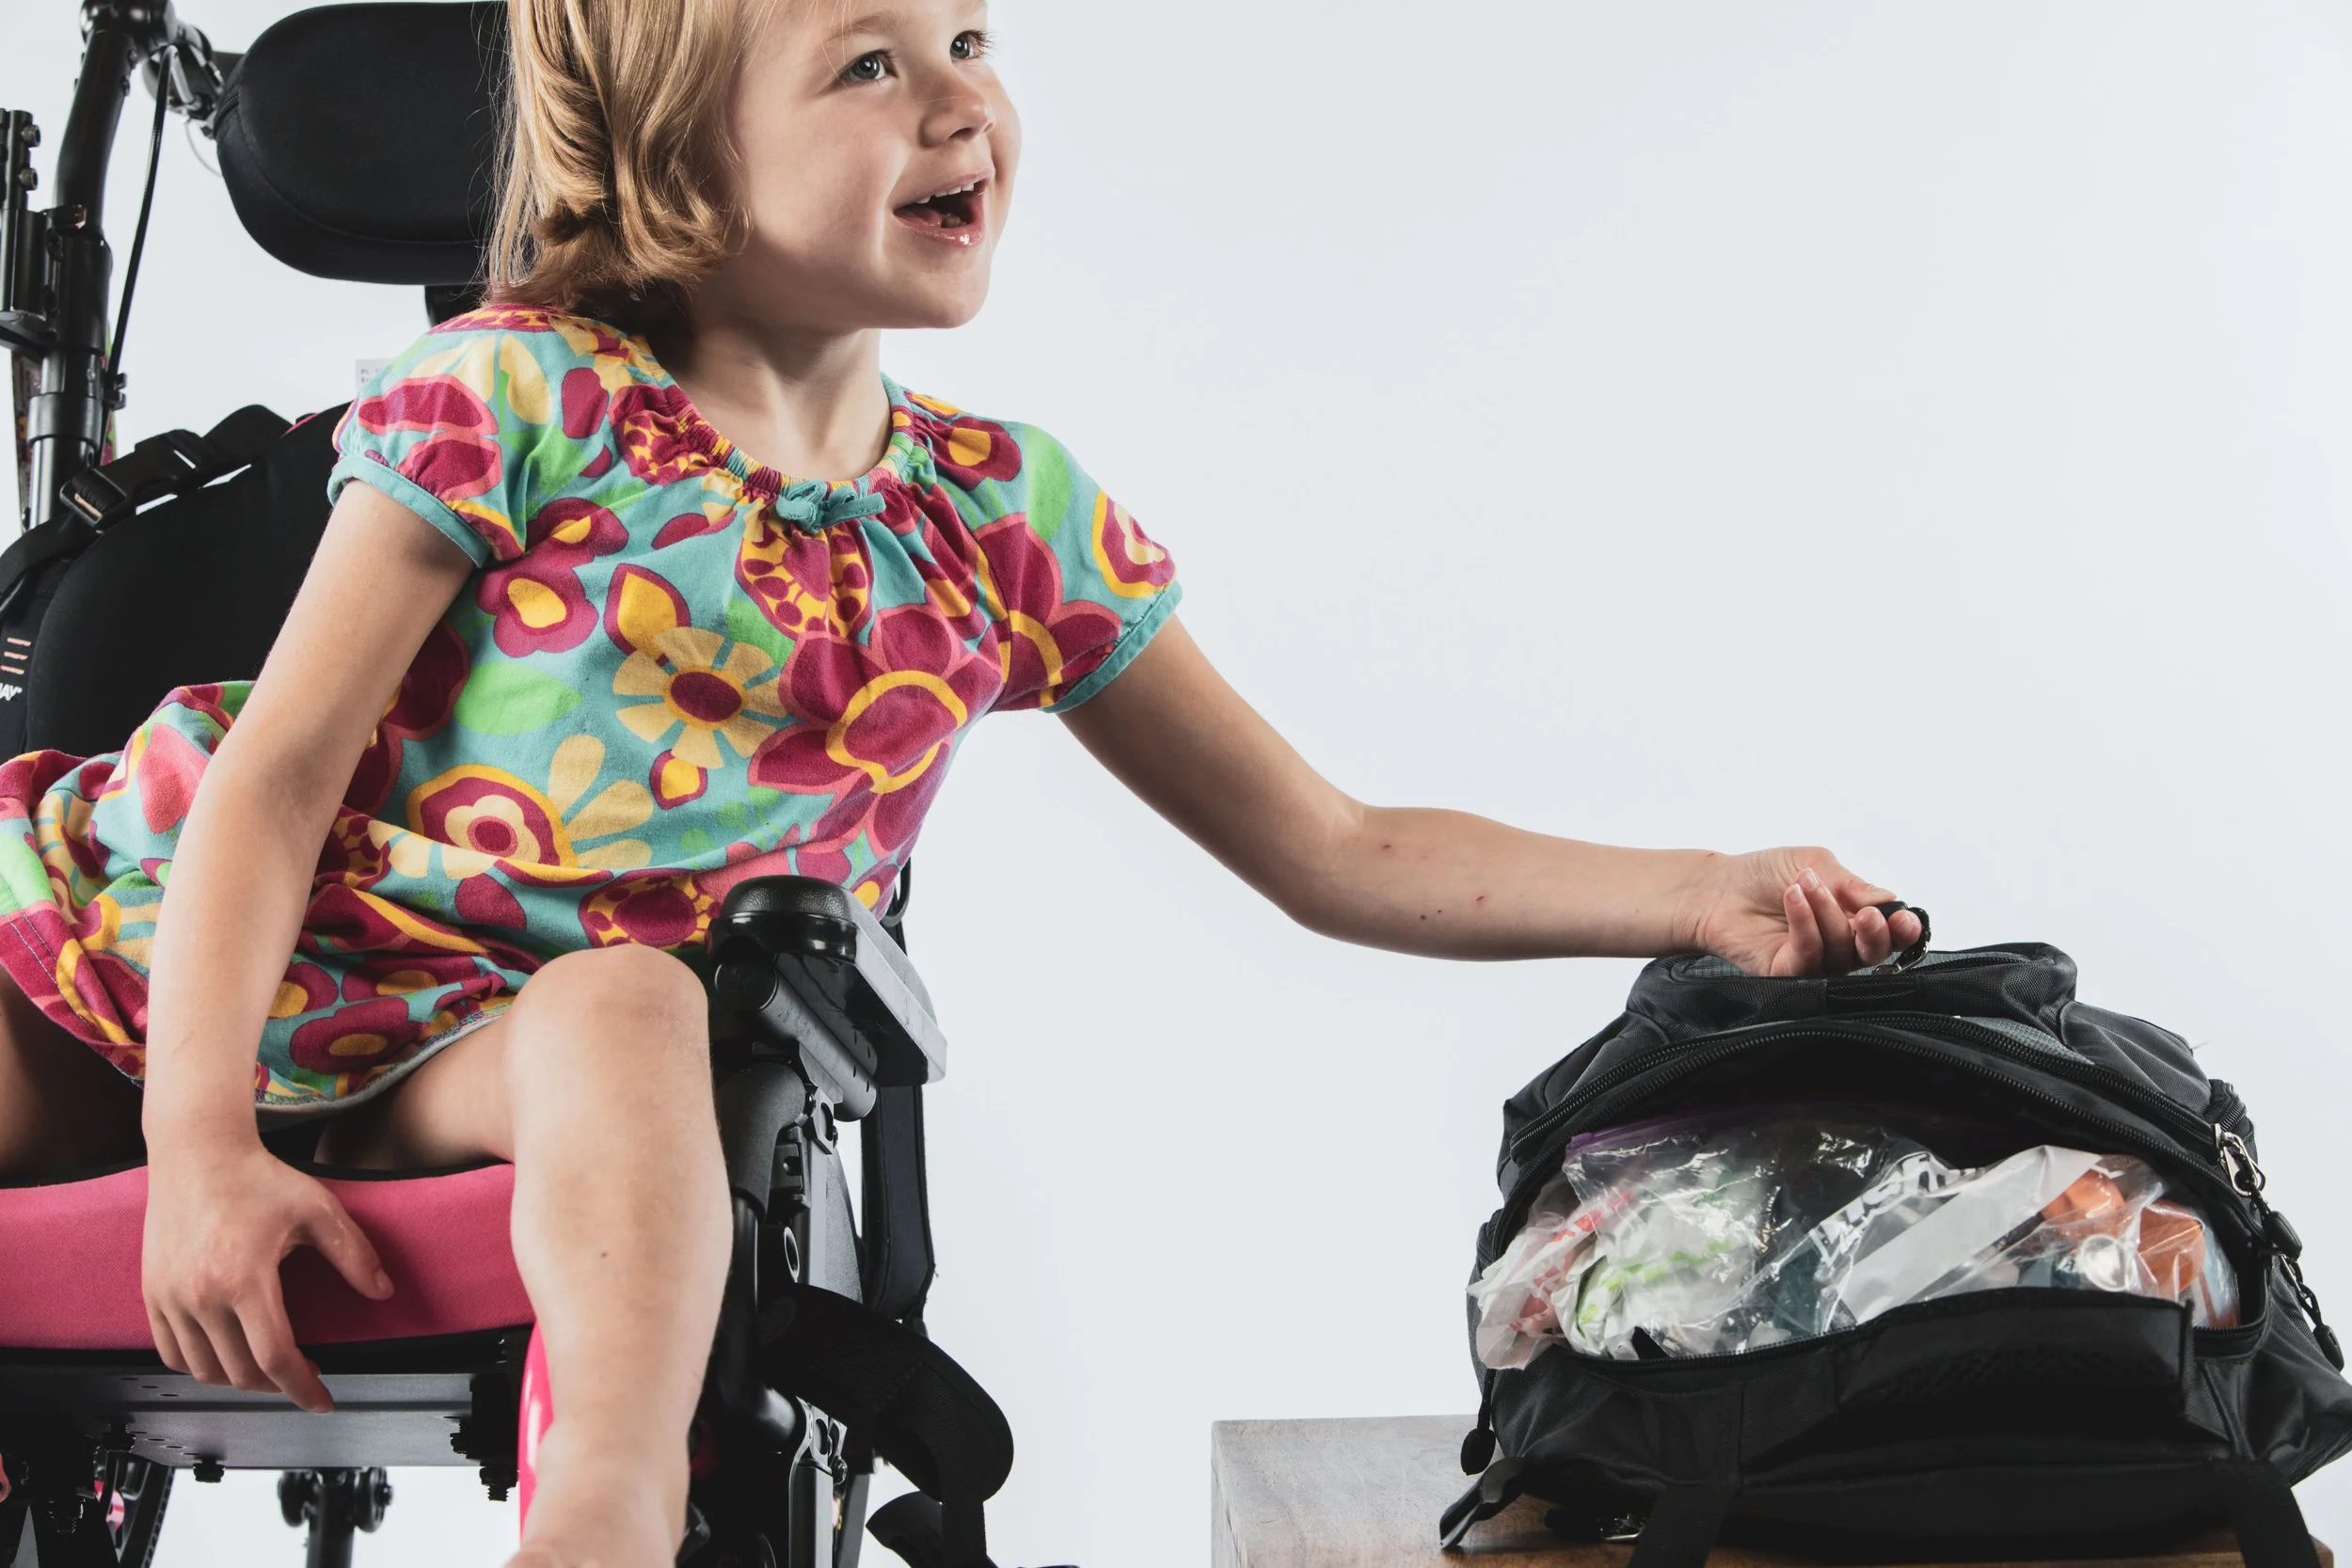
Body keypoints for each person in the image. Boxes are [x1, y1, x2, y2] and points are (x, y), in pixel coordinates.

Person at [0, 0, 1924, 1563]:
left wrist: (1697, 888)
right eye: (869, 64)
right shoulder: (520, 399)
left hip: (486, 1040)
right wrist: (199, 1153)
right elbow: (266, 789)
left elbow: (1334, 846)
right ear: (678, 158)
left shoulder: (999, 520)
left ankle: (600, 1516)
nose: (957, 104)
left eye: (972, 47)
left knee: (626, 1005)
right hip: (162, 952)